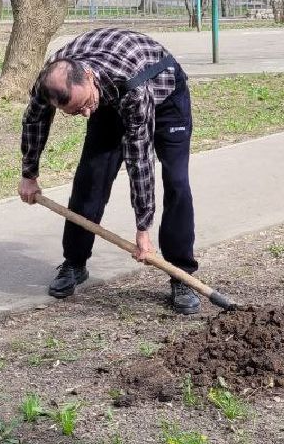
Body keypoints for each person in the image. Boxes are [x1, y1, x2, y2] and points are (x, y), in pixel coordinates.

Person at [17, 27, 201, 315]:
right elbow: (34, 121)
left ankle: (181, 274)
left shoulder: (133, 84)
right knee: (90, 178)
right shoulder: (50, 82)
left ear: (89, 76)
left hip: (165, 99)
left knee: (177, 181)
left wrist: (143, 228)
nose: (86, 114)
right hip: (109, 97)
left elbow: (139, 159)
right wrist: (29, 174)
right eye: (76, 112)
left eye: (85, 104)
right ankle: (74, 263)